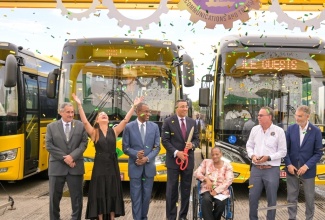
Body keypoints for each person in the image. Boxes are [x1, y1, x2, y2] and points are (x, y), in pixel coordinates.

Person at [72, 93, 143, 220]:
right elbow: (84, 121)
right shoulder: (94, 133)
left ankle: (111, 217)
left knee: (112, 189)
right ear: (97, 120)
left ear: (108, 119)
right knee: (99, 190)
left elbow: (126, 120)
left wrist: (134, 106)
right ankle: (100, 217)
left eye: (105, 114)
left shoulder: (114, 131)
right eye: (100, 115)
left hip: (112, 164)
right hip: (99, 165)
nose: (103, 115)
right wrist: (79, 105)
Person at [46, 102, 88, 220]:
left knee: (77, 198)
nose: (71, 115)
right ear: (61, 112)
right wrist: (66, 158)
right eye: (68, 112)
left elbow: (84, 143)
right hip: (57, 168)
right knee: (54, 198)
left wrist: (72, 157)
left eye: (72, 112)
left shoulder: (80, 125)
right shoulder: (51, 127)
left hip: (75, 167)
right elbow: (49, 145)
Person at [246, 106, 287, 220]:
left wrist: (268, 158)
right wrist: (252, 155)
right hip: (256, 170)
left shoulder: (279, 131)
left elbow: (283, 152)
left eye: (261, 115)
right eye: (258, 115)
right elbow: (249, 145)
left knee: (272, 199)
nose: (258, 117)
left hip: (271, 170)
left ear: (269, 117)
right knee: (252, 197)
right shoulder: (255, 129)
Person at [161, 99, 200, 220]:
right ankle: (171, 217)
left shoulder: (193, 122)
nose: (185, 109)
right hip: (173, 162)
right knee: (172, 190)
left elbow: (197, 139)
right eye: (182, 106)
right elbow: (165, 140)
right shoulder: (168, 122)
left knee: (186, 189)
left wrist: (192, 145)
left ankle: (183, 216)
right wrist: (177, 153)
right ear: (176, 108)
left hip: (188, 161)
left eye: (186, 106)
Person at [122, 102, 160, 220]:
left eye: (149, 111)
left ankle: (144, 217)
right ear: (138, 112)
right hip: (135, 167)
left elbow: (157, 147)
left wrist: (146, 158)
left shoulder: (154, 127)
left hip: (149, 168)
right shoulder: (128, 127)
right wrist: (136, 154)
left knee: (147, 196)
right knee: (135, 196)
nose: (148, 113)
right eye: (146, 111)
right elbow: (125, 147)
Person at [284, 105, 323, 220]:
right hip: (292, 169)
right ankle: (292, 218)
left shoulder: (316, 131)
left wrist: (306, 166)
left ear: (307, 116)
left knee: (310, 198)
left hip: (308, 171)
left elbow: (318, 153)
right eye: (296, 115)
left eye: (300, 116)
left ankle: (309, 218)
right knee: (291, 197)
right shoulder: (291, 129)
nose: (297, 118)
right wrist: (289, 164)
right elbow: (285, 150)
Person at [194, 147, 234, 220]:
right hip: (207, 189)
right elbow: (196, 173)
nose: (215, 156)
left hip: (221, 190)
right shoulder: (206, 162)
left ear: (221, 154)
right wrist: (206, 179)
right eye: (213, 155)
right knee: (205, 200)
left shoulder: (227, 165)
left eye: (217, 154)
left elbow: (229, 180)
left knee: (221, 203)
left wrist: (217, 190)